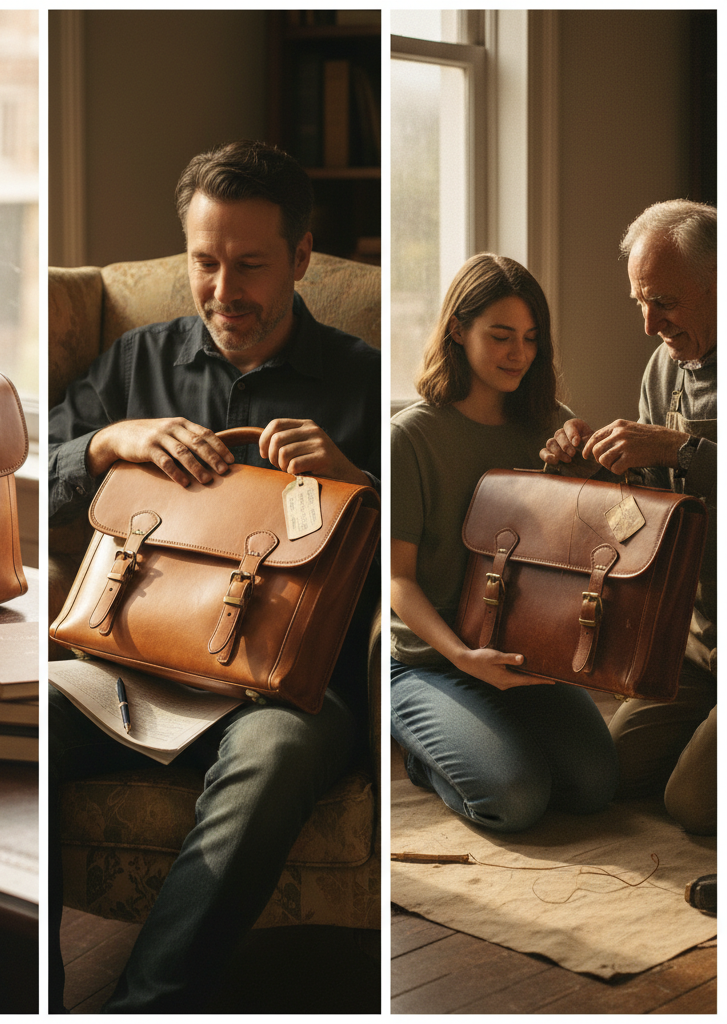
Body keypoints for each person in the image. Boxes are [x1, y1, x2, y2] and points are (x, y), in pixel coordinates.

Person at [48, 140, 380, 1012]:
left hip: (290, 691)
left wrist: (357, 483)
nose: (224, 291)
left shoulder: (365, 382)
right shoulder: (135, 362)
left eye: (251, 265)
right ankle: (24, 982)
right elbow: (27, 474)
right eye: (204, 262)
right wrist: (110, 442)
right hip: (123, 660)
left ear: (302, 258)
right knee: (19, 720)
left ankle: (149, 1005)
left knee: (271, 759)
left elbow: (421, 573)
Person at [391, 253, 618, 833]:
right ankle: (422, 753)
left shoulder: (551, 422)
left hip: (524, 649)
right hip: (431, 659)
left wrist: (587, 469)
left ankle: (480, 739)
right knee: (516, 799)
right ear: (458, 330)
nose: (519, 354)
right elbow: (399, 582)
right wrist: (464, 659)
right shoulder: (411, 437)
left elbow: (590, 541)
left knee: (594, 785)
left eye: (530, 338)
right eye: (500, 336)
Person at [541, 199, 716, 836]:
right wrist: (595, 473)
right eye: (639, 301)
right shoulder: (663, 367)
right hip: (697, 639)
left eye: (663, 301)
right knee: (607, 775)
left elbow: (680, 459)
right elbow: (643, 517)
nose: (648, 325)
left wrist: (680, 449)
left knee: (692, 806)